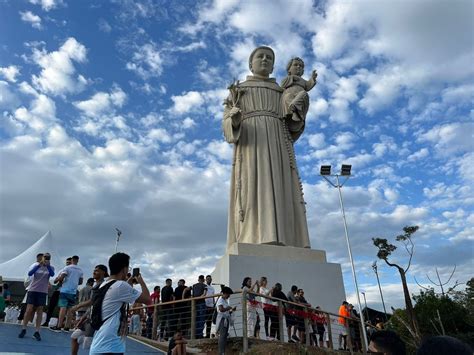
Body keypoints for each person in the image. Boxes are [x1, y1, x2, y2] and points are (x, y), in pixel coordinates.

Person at [223, 46, 310, 249]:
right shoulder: (239, 90)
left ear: (273, 66)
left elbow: (292, 124)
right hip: (251, 143)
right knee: (251, 187)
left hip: (279, 142)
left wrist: (297, 112)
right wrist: (234, 119)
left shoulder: (281, 92)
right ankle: (253, 237)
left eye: (269, 58)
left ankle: (286, 237)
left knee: (282, 187)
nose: (264, 59)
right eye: (260, 56)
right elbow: (226, 125)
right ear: (250, 63)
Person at [89, 253, 150, 354]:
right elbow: (148, 299)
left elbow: (120, 294)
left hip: (99, 344)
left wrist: (128, 281)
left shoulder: (104, 285)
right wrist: (141, 281)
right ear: (124, 269)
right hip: (111, 347)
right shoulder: (120, 286)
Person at [69, 264, 108, 355]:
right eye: (94, 270)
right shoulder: (95, 285)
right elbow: (92, 305)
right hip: (88, 318)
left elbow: (92, 301)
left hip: (95, 319)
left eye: (97, 270)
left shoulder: (102, 285)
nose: (94, 272)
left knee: (89, 345)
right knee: (74, 336)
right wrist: (83, 318)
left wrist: (77, 306)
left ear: (103, 272)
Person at [18, 252, 55, 341]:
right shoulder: (36, 265)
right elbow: (30, 273)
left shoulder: (51, 267)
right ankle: (24, 328)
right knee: (29, 309)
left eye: (48, 258)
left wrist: (48, 266)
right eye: (45, 257)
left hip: (42, 291)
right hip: (33, 289)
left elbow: (52, 274)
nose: (46, 259)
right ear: (42, 257)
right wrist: (39, 265)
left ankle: (37, 331)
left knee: (39, 310)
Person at [51, 255, 84, 331]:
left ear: (72, 260)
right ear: (77, 261)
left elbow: (62, 278)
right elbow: (81, 282)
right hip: (73, 291)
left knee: (63, 308)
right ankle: (67, 327)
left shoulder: (67, 268)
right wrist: (74, 282)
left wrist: (57, 280)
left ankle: (59, 326)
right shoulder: (80, 270)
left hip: (65, 290)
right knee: (70, 309)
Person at [280, 57, 317, 122]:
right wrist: (292, 78)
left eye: (301, 66)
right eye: (295, 65)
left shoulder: (303, 81)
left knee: (303, 93)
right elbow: (283, 84)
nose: (298, 66)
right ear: (289, 70)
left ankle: (295, 109)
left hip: (300, 96)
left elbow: (308, 86)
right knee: (287, 97)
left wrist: (312, 79)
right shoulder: (288, 78)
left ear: (302, 71)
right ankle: (293, 112)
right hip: (289, 94)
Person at [43, 257, 72, 326]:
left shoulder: (72, 272)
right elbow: (55, 281)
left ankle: (59, 323)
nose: (68, 264)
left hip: (66, 291)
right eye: (67, 262)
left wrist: (61, 279)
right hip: (58, 290)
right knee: (51, 306)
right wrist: (59, 279)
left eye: (69, 263)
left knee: (63, 308)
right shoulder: (62, 270)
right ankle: (47, 321)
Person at [216, 286, 235, 355]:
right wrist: (228, 308)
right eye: (228, 294)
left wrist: (231, 310)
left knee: (224, 336)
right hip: (222, 319)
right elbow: (221, 309)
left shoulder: (225, 301)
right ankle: (221, 352)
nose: (229, 296)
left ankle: (223, 351)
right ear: (225, 293)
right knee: (222, 335)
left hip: (225, 319)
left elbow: (225, 311)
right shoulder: (220, 300)